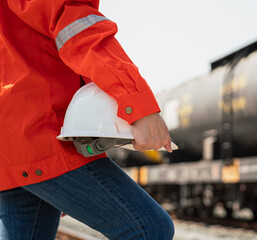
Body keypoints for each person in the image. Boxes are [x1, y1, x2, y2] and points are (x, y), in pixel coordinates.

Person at [0, 0, 174, 239]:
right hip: (41, 133)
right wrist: (138, 104)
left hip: (12, 140)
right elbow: (77, 27)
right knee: (148, 229)